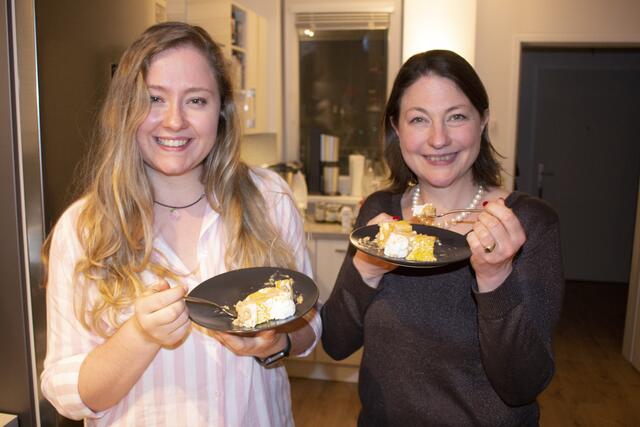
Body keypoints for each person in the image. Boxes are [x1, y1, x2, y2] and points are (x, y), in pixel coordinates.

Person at [41, 21, 320, 426]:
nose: (174, 122)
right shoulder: (84, 229)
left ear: (221, 112)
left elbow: (311, 327)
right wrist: (139, 336)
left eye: (196, 101)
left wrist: (275, 341)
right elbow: (69, 396)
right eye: (154, 99)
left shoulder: (269, 198)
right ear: (126, 110)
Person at [321, 50, 564, 426]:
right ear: (396, 128)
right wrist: (365, 269)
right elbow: (336, 344)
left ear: (482, 121)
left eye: (456, 116)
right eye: (419, 119)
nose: (438, 139)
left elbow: (523, 385)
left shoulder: (528, 223)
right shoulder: (379, 213)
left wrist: (496, 279)